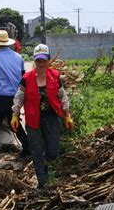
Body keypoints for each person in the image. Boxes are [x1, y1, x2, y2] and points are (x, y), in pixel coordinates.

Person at [11, 44, 74, 192]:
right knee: (36, 151)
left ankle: (45, 163)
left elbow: (62, 96)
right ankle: (42, 183)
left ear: (48, 60)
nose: (41, 63)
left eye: (43, 60)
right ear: (34, 60)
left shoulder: (55, 76)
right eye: (38, 60)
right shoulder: (27, 78)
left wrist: (67, 116)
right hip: (33, 121)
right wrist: (15, 114)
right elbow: (19, 97)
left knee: (53, 151)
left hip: (51, 118)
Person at [0, 30, 30, 167]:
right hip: (16, 97)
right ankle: (28, 150)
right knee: (15, 124)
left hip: (0, 97)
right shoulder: (18, 57)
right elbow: (23, 76)